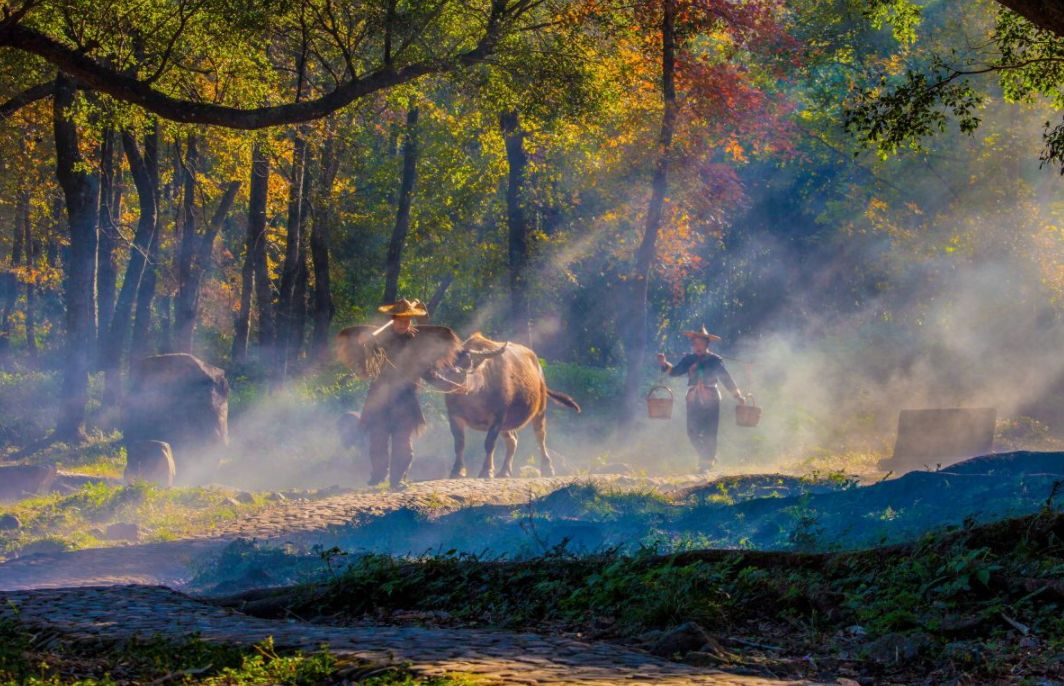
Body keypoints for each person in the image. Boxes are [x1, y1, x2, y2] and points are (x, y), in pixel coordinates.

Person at [358, 298, 436, 488]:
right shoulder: (379, 340)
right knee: (377, 440)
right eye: (400, 319)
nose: (404, 323)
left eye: (407, 319)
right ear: (393, 319)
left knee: (403, 444)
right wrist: (365, 347)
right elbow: (367, 369)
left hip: (406, 400)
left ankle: (397, 480)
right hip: (380, 398)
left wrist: (447, 384)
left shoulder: (417, 342)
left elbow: (426, 370)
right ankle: (378, 474)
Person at [656, 325, 745, 472]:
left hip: (711, 397)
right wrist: (663, 363)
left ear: (706, 345)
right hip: (693, 398)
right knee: (692, 432)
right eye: (695, 344)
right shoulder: (689, 359)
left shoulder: (715, 360)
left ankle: (706, 464)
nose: (697, 346)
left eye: (701, 344)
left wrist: (738, 395)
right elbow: (675, 372)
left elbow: (726, 379)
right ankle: (708, 457)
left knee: (710, 431)